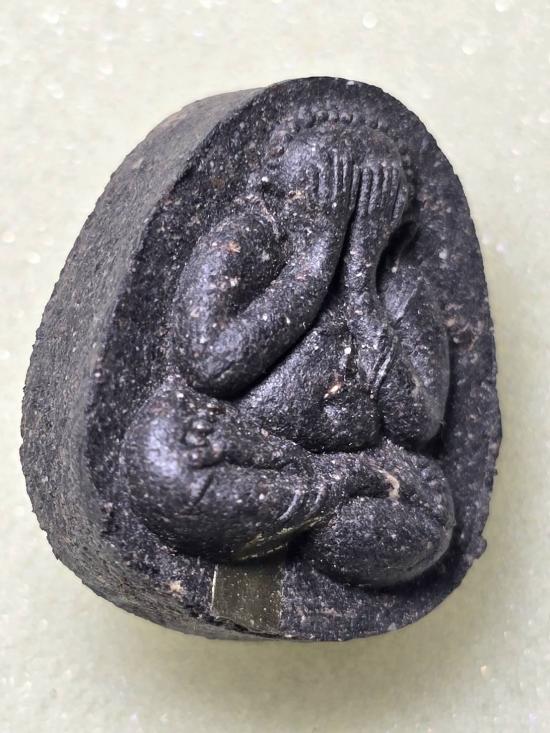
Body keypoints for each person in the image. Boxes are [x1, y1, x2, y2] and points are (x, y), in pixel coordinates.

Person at [123, 113, 455, 587]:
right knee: (162, 464)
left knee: (404, 527)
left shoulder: (400, 287)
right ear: (278, 190)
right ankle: (325, 493)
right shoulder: (250, 239)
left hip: (362, 461)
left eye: (368, 201)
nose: (347, 216)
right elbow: (209, 365)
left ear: (394, 221)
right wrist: (316, 259)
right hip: (239, 443)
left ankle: (318, 499)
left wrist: (360, 286)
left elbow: (418, 426)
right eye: (331, 193)